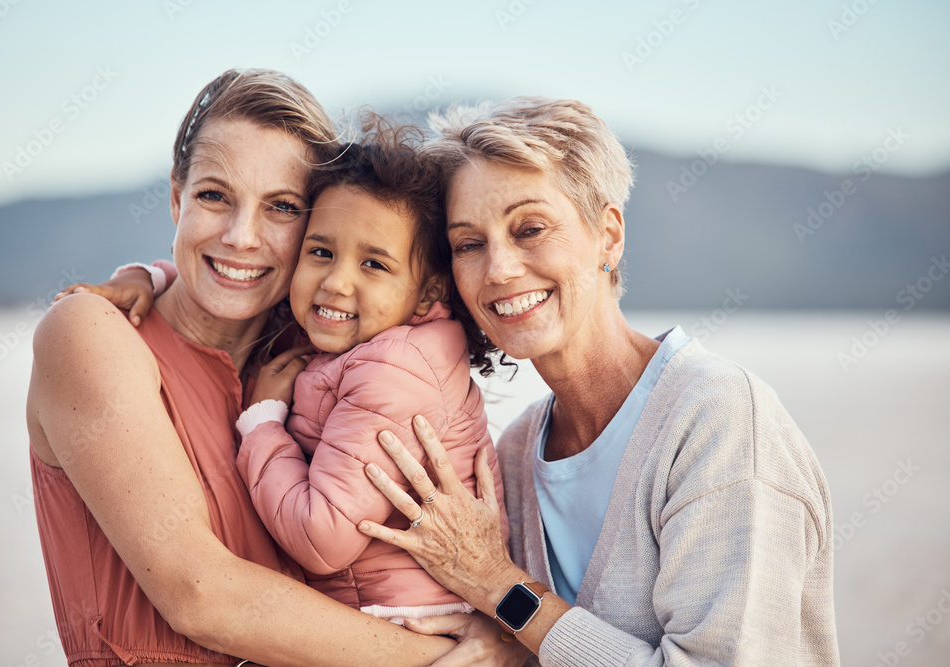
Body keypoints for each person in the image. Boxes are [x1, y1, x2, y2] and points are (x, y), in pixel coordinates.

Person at [357, 98, 841, 665]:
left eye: (530, 228)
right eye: (470, 244)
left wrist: (498, 587)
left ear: (608, 237)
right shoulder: (514, 451)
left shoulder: (719, 417)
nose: (499, 269)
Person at [29, 68, 481, 667]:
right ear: (176, 199)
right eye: (214, 196)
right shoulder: (90, 333)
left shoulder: (314, 352)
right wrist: (458, 657)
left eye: (281, 207)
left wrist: (501, 604)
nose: (242, 237)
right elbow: (201, 597)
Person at [231, 120, 510, 623]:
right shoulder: (361, 343)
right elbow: (237, 291)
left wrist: (262, 423)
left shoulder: (392, 369)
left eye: (374, 265)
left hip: (405, 626)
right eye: (320, 253)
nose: (335, 282)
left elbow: (323, 539)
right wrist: (147, 277)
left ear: (428, 291)